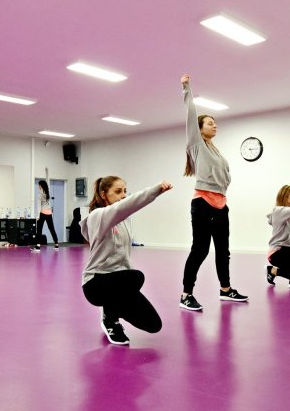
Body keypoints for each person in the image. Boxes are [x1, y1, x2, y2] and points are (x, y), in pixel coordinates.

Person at [179, 74, 248, 308]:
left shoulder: (215, 150)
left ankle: (225, 290)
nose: (214, 125)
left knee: (223, 250)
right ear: (199, 129)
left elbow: (225, 177)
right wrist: (186, 88)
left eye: (215, 122)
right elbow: (190, 114)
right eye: (210, 122)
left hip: (221, 204)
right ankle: (186, 294)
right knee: (200, 249)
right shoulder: (197, 144)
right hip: (203, 203)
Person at [81, 176, 172, 346]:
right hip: (95, 284)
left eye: (124, 191)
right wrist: (156, 189)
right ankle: (110, 320)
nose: (123, 195)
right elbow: (126, 206)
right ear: (103, 194)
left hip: (119, 283)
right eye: (117, 191)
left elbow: (123, 257)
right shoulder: (97, 216)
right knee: (136, 277)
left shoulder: (125, 220)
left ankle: (112, 310)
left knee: (154, 324)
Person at [32, 168, 60, 251]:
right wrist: (47, 172)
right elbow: (47, 180)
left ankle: (38, 246)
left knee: (39, 230)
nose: (38, 186)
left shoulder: (39, 194)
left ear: (41, 186)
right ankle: (56, 244)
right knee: (52, 228)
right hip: (49, 213)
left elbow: (38, 206)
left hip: (42, 213)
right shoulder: (48, 192)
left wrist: (37, 216)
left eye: (39, 185)